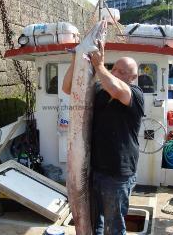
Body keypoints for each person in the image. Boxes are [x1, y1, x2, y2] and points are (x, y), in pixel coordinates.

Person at [62, 40, 144, 235]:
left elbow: (117, 90)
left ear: (133, 77)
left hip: (117, 174)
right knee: (93, 223)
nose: (116, 72)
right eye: (114, 68)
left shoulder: (135, 94)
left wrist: (99, 65)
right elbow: (68, 88)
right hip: (94, 170)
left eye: (122, 72)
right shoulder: (99, 90)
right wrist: (76, 59)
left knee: (113, 226)